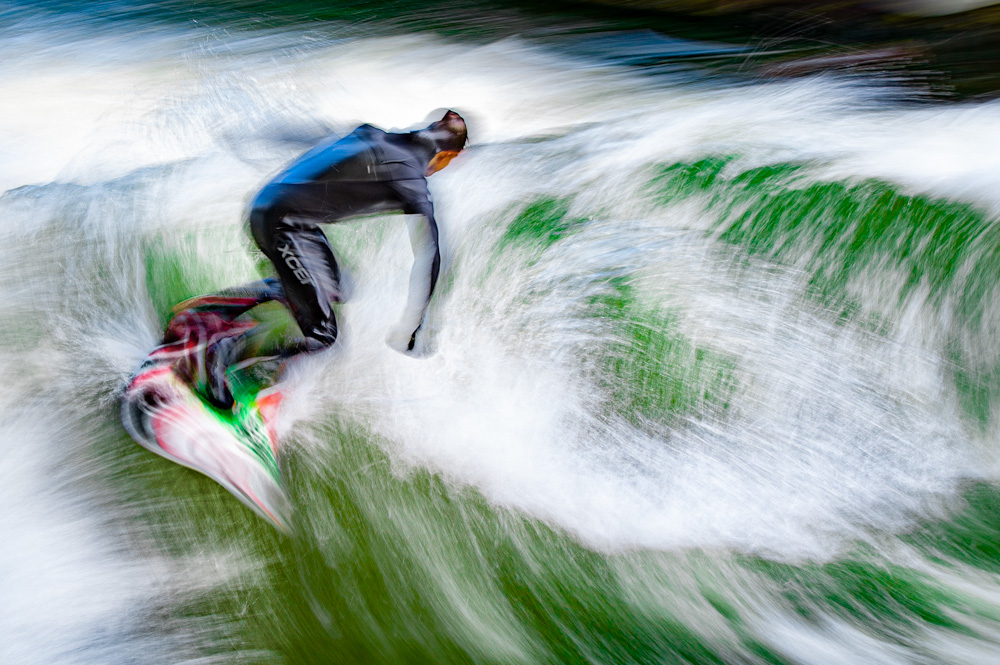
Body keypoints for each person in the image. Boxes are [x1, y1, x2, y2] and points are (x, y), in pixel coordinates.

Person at [247, 110, 467, 357]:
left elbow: (316, 146)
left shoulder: (371, 133)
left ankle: (255, 307)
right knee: (324, 337)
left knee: (339, 289)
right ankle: (247, 373)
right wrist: (414, 328)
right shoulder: (409, 176)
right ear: (449, 155)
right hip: (282, 225)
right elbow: (430, 254)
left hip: (276, 214)